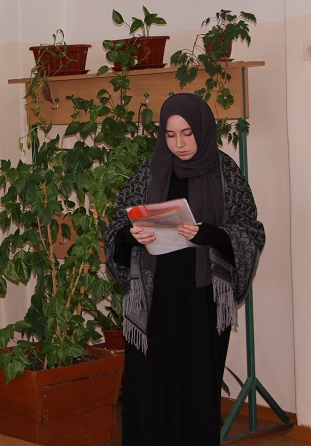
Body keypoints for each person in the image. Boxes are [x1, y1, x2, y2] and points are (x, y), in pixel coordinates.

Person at [104, 92, 265, 445]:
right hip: (154, 301)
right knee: (149, 389)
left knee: (196, 389)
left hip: (202, 302)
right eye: (170, 134)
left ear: (203, 130)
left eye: (187, 134)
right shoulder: (149, 174)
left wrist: (211, 234)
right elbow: (117, 229)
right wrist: (131, 236)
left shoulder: (226, 174)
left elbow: (251, 231)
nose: (179, 144)